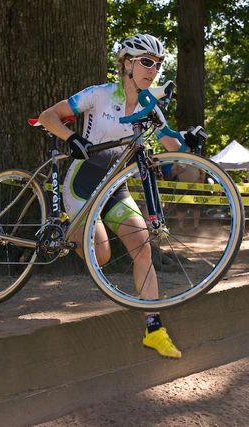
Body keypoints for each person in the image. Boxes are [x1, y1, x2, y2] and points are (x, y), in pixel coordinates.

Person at [39, 33, 201, 359]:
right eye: (145, 62)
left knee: (142, 246)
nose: (152, 70)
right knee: (101, 256)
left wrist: (191, 140)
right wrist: (71, 138)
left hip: (115, 186)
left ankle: (154, 329)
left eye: (157, 64)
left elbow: (173, 146)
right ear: (127, 64)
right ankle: (71, 235)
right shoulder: (98, 95)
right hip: (82, 185)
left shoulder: (148, 105)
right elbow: (47, 117)